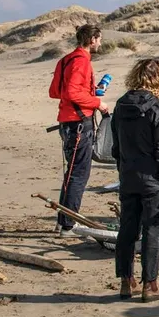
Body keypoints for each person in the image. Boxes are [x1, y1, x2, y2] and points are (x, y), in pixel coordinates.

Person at [111, 58, 159, 301]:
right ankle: (150, 285)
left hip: (129, 175)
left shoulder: (121, 104)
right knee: (153, 230)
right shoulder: (157, 108)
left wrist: (123, 170)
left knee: (127, 229)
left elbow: (116, 147)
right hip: (152, 180)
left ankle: (127, 281)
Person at [49, 24, 110, 235]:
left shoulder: (66, 60)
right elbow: (69, 93)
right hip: (78, 123)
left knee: (73, 173)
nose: (100, 43)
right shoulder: (80, 61)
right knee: (78, 174)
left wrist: (91, 91)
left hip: (69, 122)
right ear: (92, 39)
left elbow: (57, 91)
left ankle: (63, 221)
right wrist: (97, 102)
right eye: (99, 39)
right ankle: (68, 223)